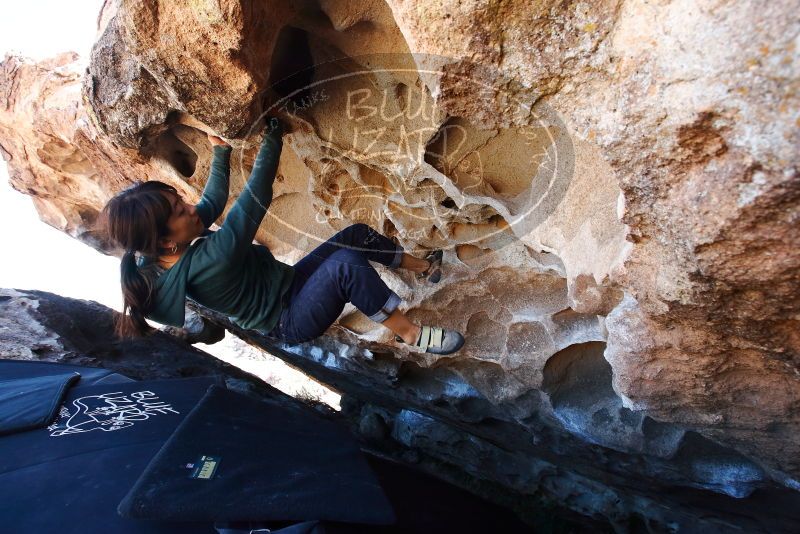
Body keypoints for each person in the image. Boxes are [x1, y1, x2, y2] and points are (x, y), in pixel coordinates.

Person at [98, 116, 465, 355]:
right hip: (288, 320)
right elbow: (255, 197)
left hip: (289, 284)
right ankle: (411, 333)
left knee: (356, 235)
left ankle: (423, 266)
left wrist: (221, 152)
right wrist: (273, 134)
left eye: (180, 201)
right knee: (346, 266)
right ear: (165, 241)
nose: (190, 209)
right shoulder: (208, 263)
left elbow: (210, 202)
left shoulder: (166, 245)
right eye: (180, 211)